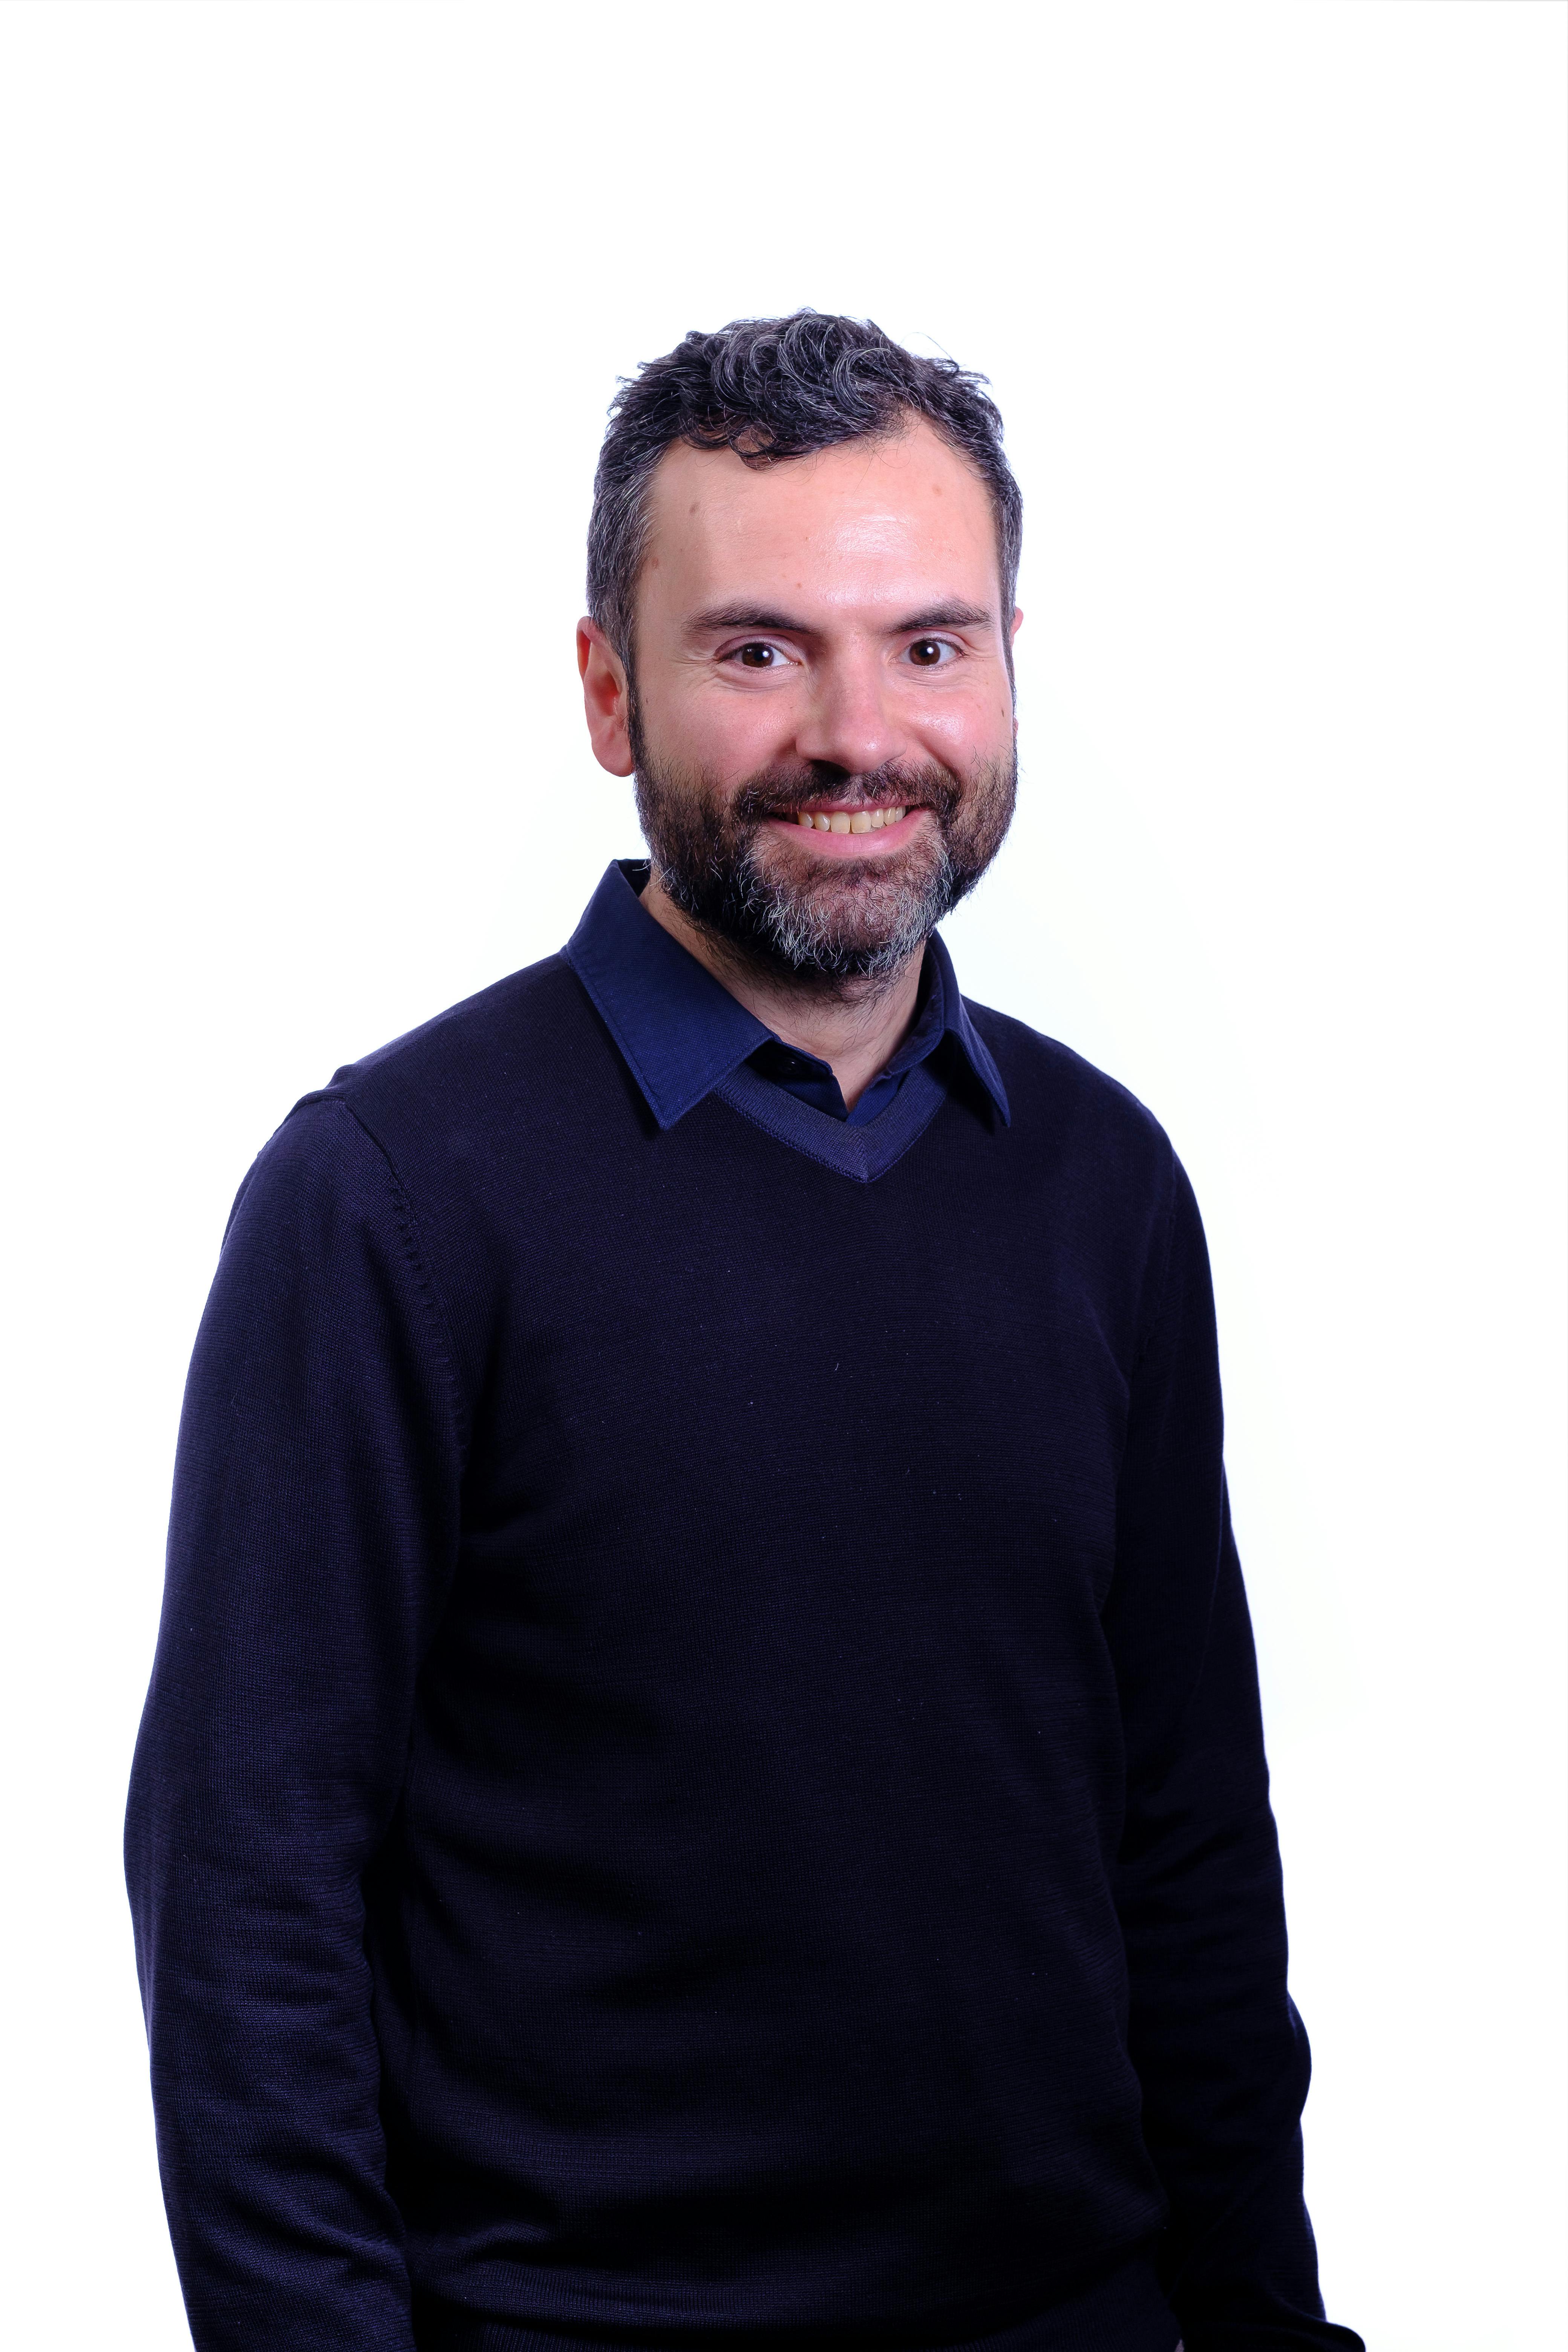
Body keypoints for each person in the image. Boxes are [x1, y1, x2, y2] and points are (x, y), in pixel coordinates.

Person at [126, 311, 1363, 2352]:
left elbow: (1193, 1867)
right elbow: (250, 1909)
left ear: (1010, 660)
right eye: (762, 651)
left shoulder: (1106, 1184)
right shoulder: (391, 1199)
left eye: (930, 645)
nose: (860, 735)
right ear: (610, 692)